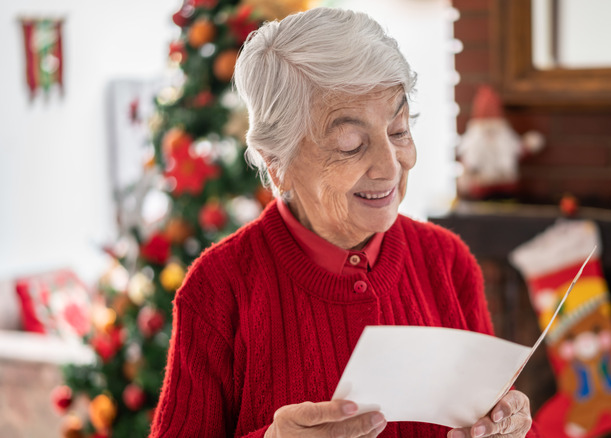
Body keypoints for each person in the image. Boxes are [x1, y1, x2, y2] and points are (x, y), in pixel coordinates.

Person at [150, 7, 537, 438]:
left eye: (398, 130)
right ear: (278, 165)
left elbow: (491, 415)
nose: (389, 167)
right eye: (350, 144)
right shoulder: (218, 288)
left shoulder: (447, 261)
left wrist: (509, 429)